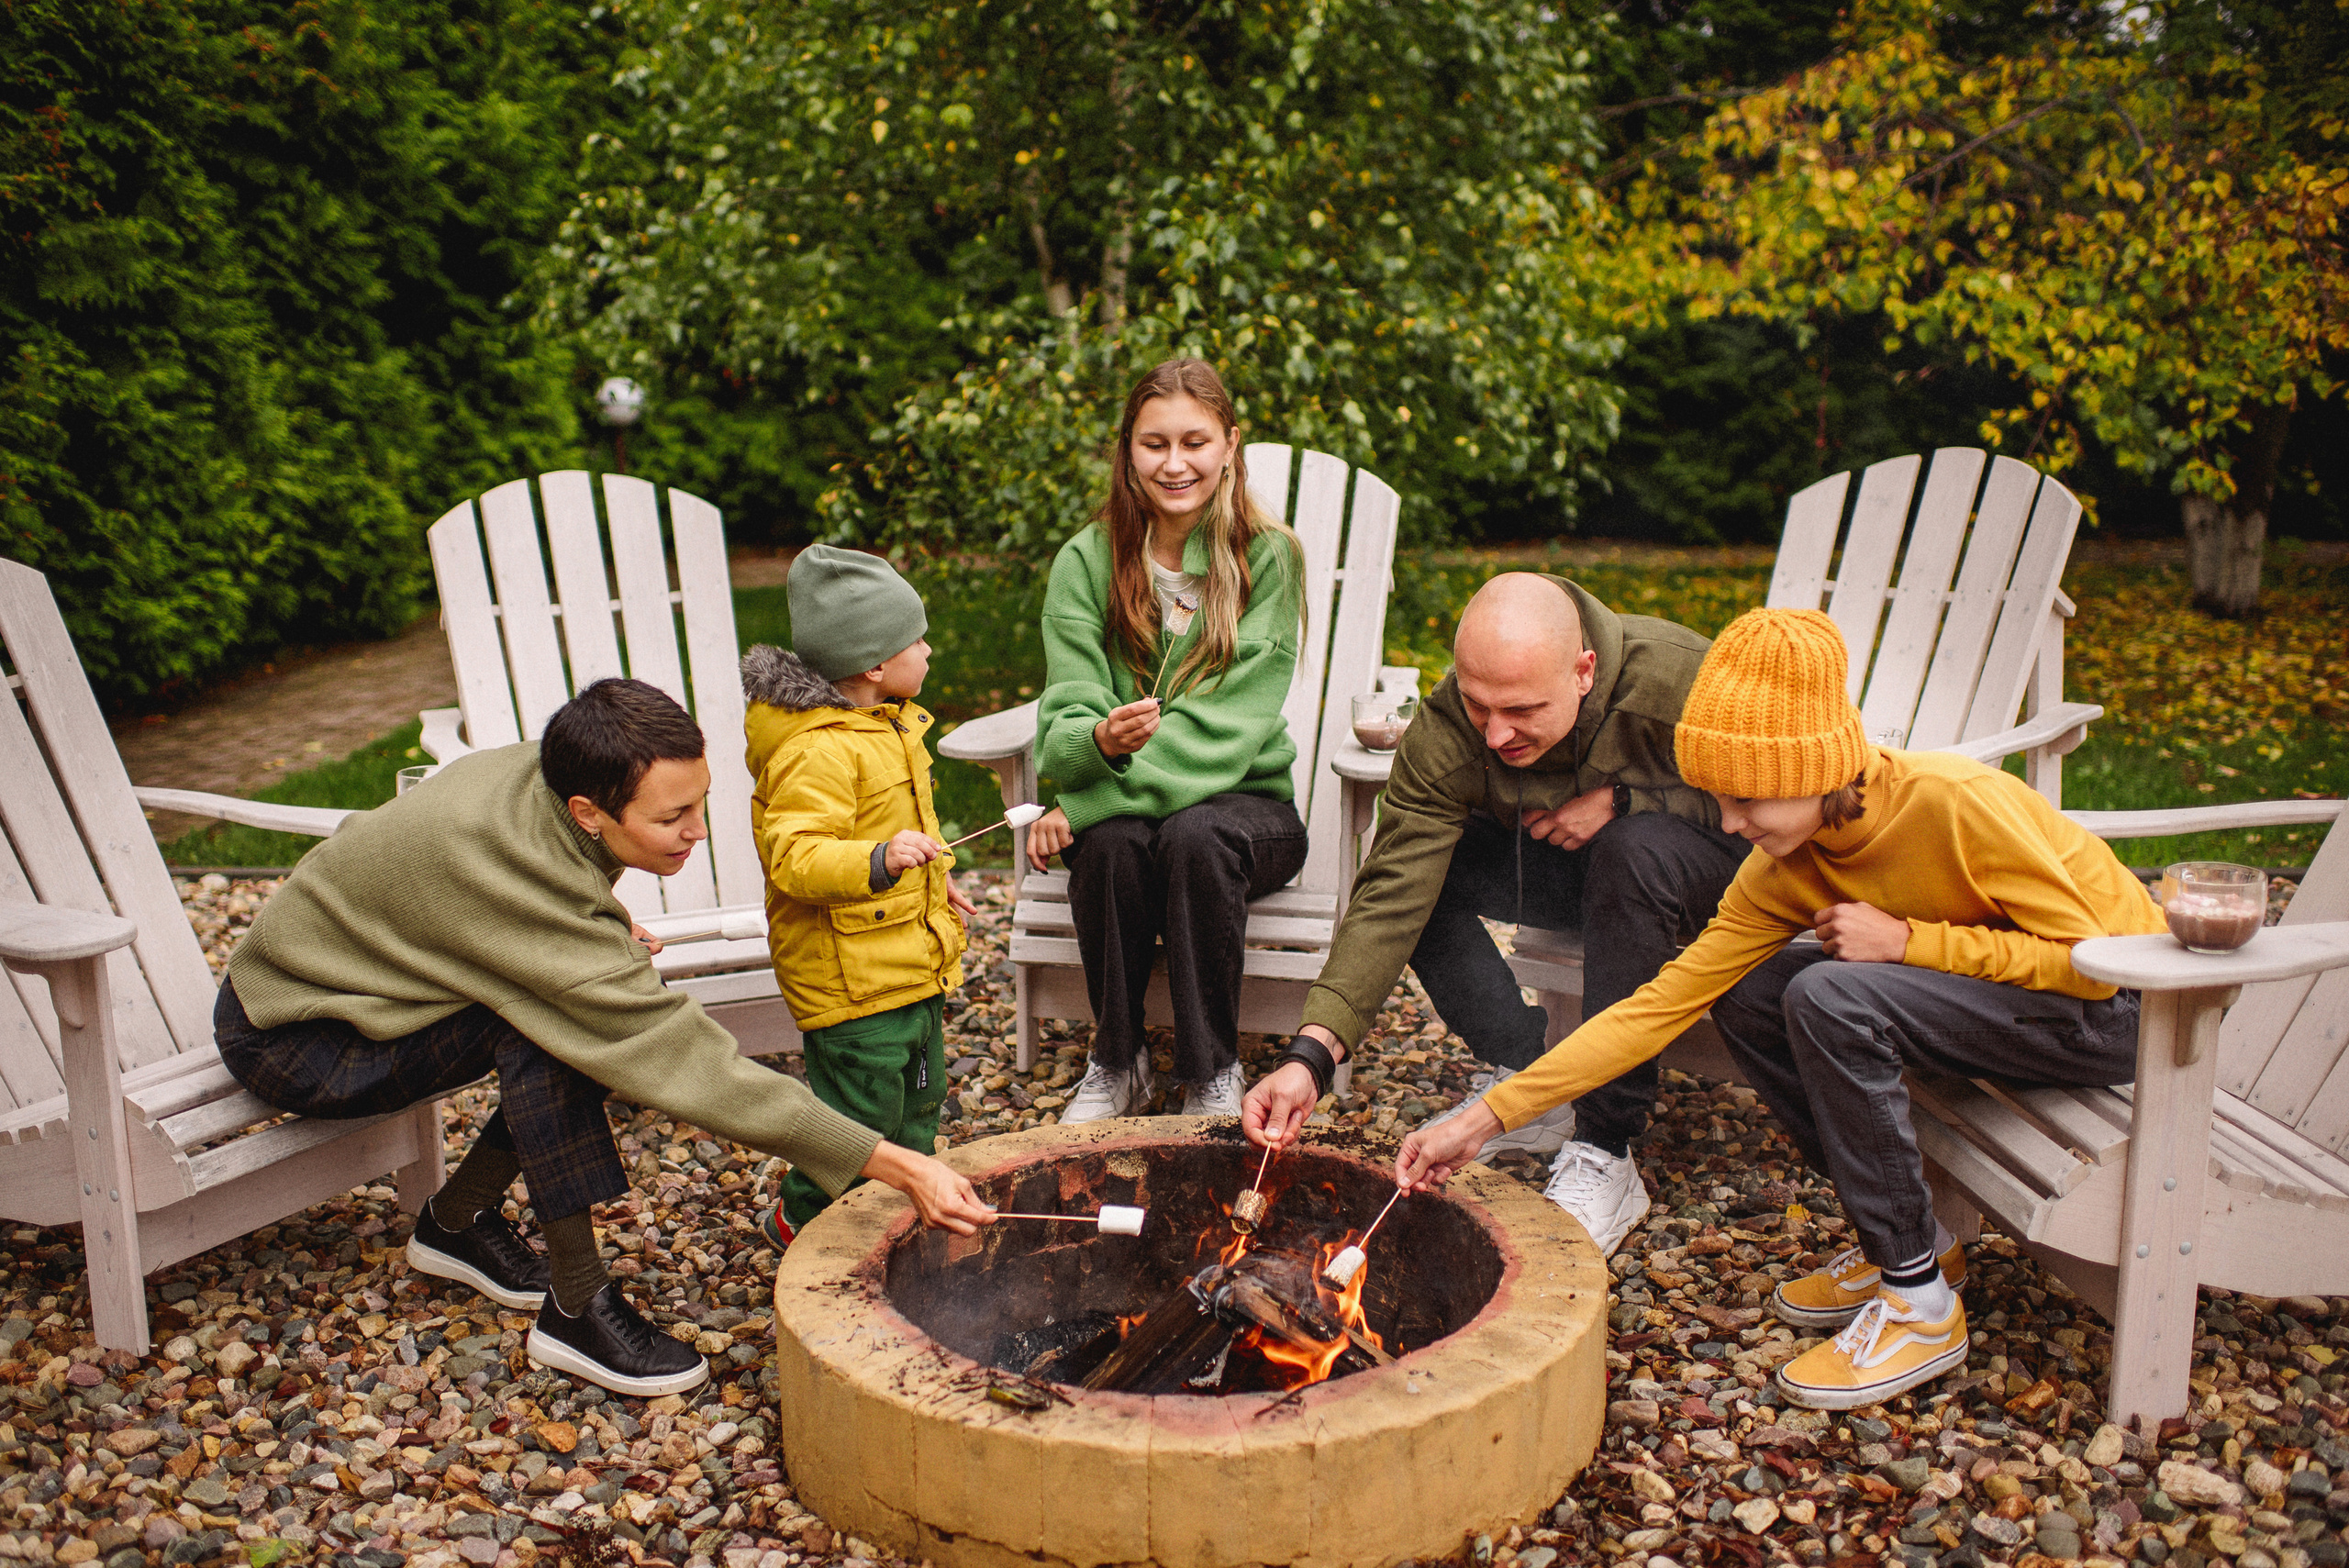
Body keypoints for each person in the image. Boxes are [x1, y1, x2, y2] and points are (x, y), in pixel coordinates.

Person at [1395, 608, 2165, 1408]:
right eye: (1718, 799)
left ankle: (1920, 1305)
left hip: (2125, 1009)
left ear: (1812, 768)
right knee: (1753, 984)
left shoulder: (1955, 804)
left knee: (1831, 995)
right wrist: (1484, 1118)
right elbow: (1655, 1007)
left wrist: (1913, 942)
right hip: (2003, 1006)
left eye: (1745, 799)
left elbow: (2098, 967)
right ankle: (1919, 1244)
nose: (1729, 824)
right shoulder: (1782, 867)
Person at [217, 677, 994, 1398]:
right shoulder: (519, 861)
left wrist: (597, 914)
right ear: (589, 811)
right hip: (300, 1034)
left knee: (557, 1010)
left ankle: (456, 1220)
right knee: (552, 1029)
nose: (697, 830)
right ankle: (575, 1308)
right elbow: (688, 1060)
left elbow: (499, 879)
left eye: (700, 803)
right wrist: (897, 1164)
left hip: (370, 981)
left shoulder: (550, 780)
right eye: (670, 818)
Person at [1242, 572, 1746, 1252]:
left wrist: (1628, 801)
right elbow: (1394, 886)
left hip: (1698, 877)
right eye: (1479, 706)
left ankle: (1606, 1147)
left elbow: (1784, 794)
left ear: (1584, 672)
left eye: (1521, 710)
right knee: (1430, 867)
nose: (1495, 734)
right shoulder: (1448, 726)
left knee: (1633, 851)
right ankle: (1528, 1075)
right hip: (1570, 867)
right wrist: (1311, 1056)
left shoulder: (1681, 681)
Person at [1023, 357, 1309, 1122]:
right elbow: (1066, 721)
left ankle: (1212, 1069)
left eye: (1195, 441)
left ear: (1230, 444)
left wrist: (1084, 801)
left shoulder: (1268, 558)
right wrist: (1096, 738)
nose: (1175, 463)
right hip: (1131, 807)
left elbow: (1227, 729)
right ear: (1128, 450)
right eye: (1155, 444)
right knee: (1112, 846)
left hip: (1248, 807)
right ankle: (1118, 1061)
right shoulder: (1087, 560)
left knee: (1193, 834)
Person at [740, 544, 977, 1249]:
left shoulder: (891, 723)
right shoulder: (817, 748)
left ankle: (897, 1211)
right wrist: (880, 859)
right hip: (850, 983)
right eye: (916, 640)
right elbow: (796, 856)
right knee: (857, 1120)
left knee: (919, 1101)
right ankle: (803, 1221)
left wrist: (932, 876)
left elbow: (903, 827)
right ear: (873, 664)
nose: (928, 650)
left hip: (910, 965)